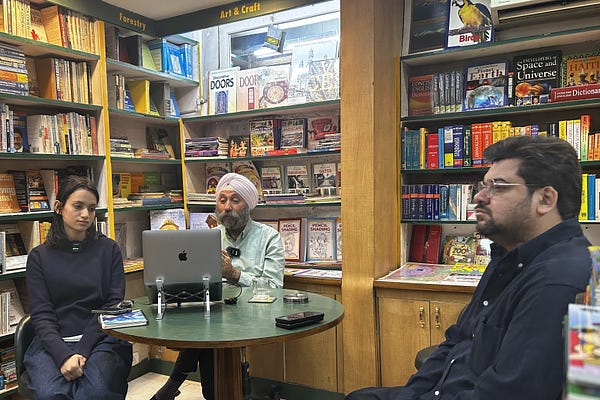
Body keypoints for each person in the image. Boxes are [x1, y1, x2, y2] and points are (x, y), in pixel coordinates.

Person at [346, 135, 592, 400]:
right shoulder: (508, 256)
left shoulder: (559, 280)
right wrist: (411, 394)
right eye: (484, 185)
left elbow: (508, 394)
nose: (479, 196)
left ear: (545, 199)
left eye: (498, 187)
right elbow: (457, 340)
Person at [151, 172, 285, 400]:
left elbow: (274, 286)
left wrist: (233, 273)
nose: (227, 207)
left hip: (254, 313)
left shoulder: (269, 237)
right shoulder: (209, 237)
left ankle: (172, 385)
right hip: (215, 311)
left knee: (206, 332)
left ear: (248, 205)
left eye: (235, 200)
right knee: (212, 390)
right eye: (222, 200)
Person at [24, 175, 133, 399]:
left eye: (91, 209)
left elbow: (111, 305)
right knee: (50, 394)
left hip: (102, 338)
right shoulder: (39, 257)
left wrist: (83, 350)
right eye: (78, 206)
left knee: (96, 392)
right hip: (53, 343)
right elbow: (42, 314)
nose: (86, 215)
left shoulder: (109, 250)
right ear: (58, 207)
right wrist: (64, 356)